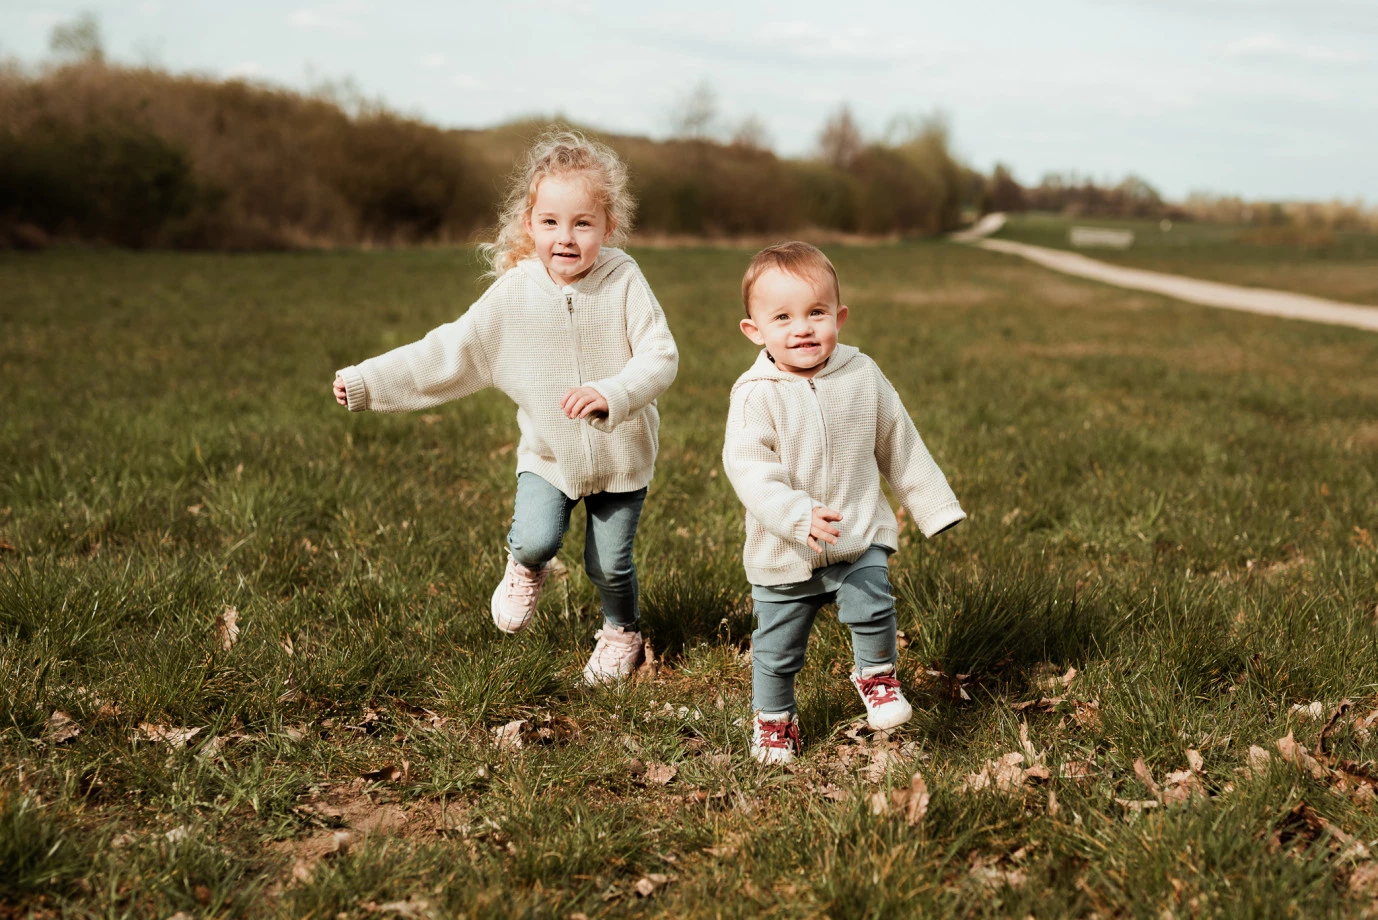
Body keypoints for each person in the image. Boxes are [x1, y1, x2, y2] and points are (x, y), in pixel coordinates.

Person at [333, 132, 678, 684]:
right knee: (538, 536)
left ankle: (622, 633)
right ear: (529, 224)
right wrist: (367, 382)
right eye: (550, 222)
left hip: (622, 457)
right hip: (548, 455)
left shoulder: (625, 281)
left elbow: (660, 357)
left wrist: (613, 393)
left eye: (582, 224)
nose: (565, 238)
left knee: (608, 563)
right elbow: (446, 352)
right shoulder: (515, 295)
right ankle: (525, 565)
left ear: (608, 227)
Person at [722, 241, 965, 764]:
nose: (802, 328)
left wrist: (934, 506)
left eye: (816, 313)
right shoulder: (754, 394)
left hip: (857, 532)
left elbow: (898, 442)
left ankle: (876, 677)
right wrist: (795, 516)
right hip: (783, 551)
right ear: (755, 331)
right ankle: (774, 722)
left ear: (840, 316)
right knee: (777, 649)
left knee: (873, 603)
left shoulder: (862, 375)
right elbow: (749, 469)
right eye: (782, 317)